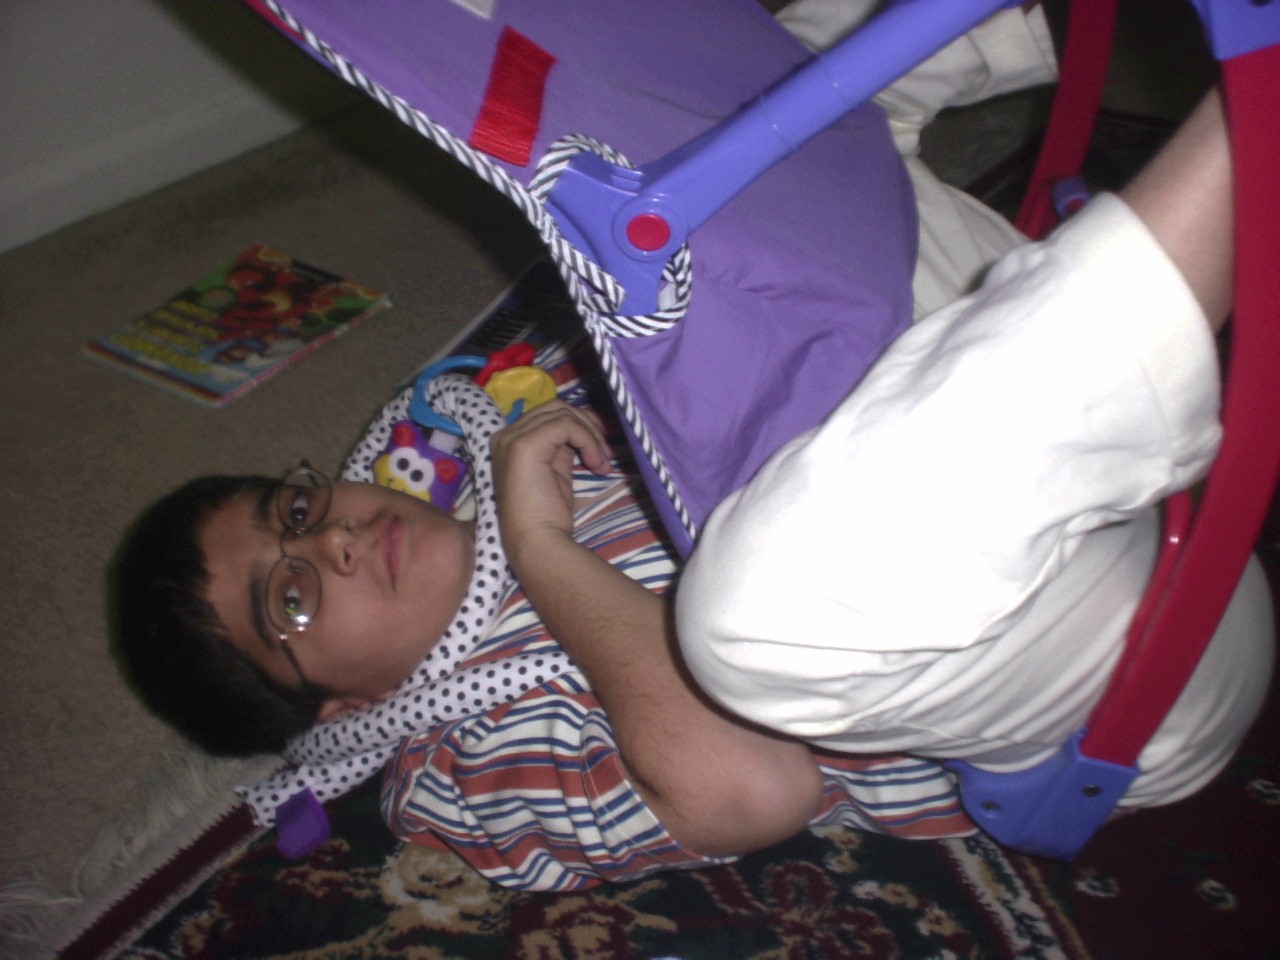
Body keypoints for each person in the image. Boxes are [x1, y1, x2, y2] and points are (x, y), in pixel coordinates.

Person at [112, 4, 1272, 892]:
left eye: (296, 513)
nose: (334, 542)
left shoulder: (502, 436)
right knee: (749, 618)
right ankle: (1243, 131)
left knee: (692, 187)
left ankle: (948, 52)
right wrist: (541, 548)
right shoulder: (456, 772)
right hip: (1116, 676)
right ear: (331, 711)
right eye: (292, 598)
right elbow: (747, 786)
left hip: (1049, 462)